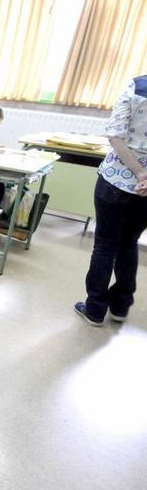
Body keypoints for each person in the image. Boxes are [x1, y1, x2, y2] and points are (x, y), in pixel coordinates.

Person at [74, 75, 147, 326]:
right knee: (129, 243)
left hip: (116, 179)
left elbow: (115, 135)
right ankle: (120, 306)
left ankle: (94, 309)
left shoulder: (136, 86)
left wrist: (138, 172)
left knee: (105, 245)